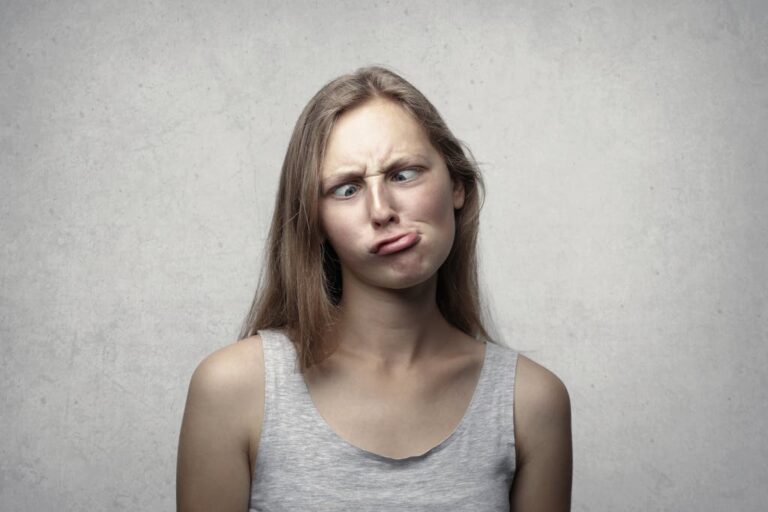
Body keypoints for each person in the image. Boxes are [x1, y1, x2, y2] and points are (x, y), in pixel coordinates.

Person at [176, 66, 572, 511]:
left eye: (403, 174)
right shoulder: (234, 389)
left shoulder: (531, 403)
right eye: (346, 189)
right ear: (316, 222)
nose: (381, 210)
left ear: (457, 186)